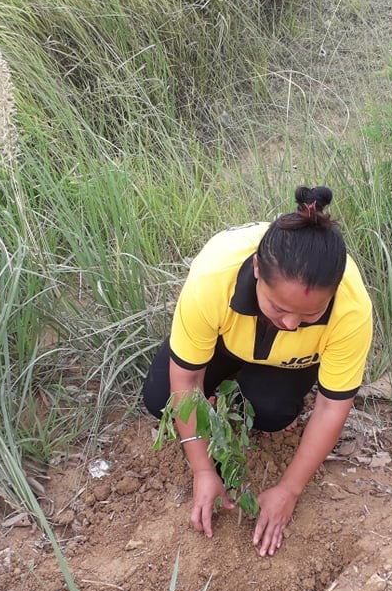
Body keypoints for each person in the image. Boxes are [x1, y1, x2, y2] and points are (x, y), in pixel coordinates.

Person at [143, 185, 373, 556]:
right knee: (158, 399)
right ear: (256, 271)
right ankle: (222, 391)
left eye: (309, 315)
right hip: (224, 338)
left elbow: (332, 407)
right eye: (278, 306)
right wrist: (202, 470)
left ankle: (242, 392)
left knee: (271, 414)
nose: (290, 323)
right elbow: (185, 381)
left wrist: (288, 490)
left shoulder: (351, 310)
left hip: (288, 360)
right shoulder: (211, 282)